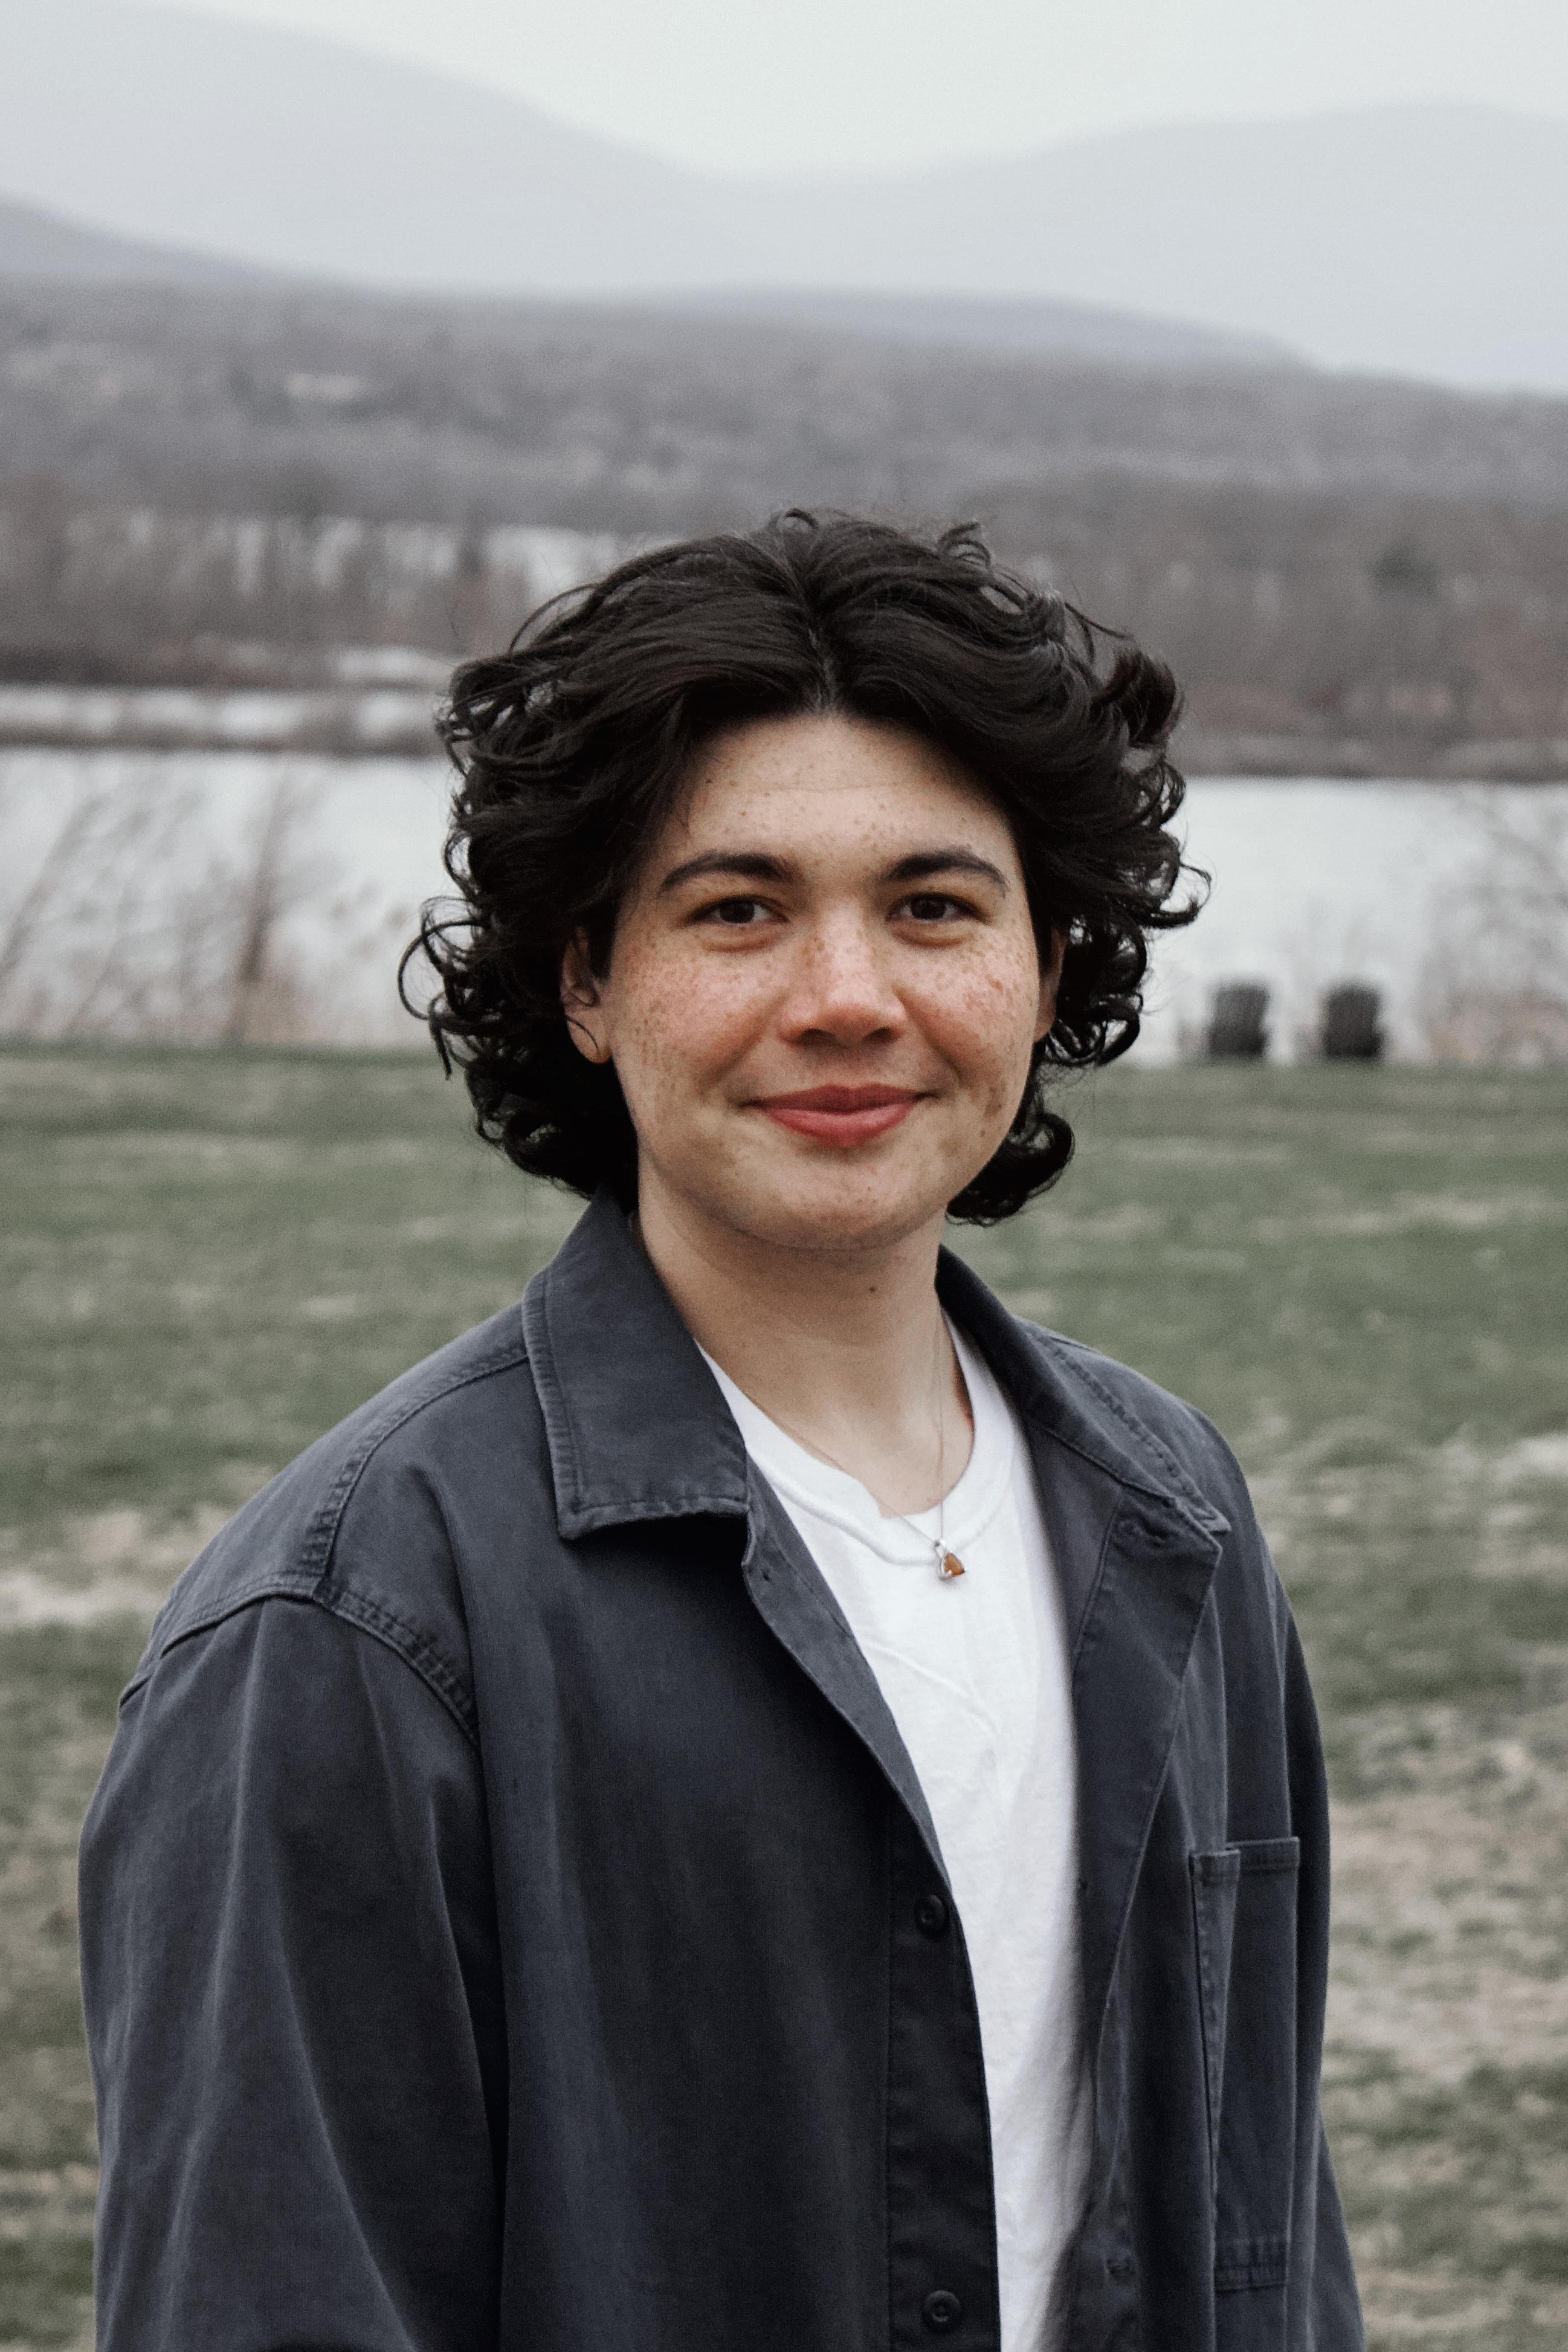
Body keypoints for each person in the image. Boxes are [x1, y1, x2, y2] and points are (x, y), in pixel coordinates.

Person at [79, 513, 1364, 2352]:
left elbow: (1264, 2233)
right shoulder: (346, 1628)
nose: (846, 997)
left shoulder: (1174, 1515)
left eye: (932, 905)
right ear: (587, 981)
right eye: (738, 908)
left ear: (1046, 961)